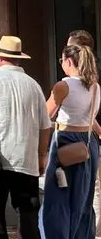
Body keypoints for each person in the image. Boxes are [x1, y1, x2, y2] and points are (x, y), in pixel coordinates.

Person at [0, 36, 51, 239]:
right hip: (26, 160)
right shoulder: (33, 85)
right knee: (28, 214)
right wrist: (41, 156)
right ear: (19, 59)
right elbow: (45, 126)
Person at [40, 42, 100, 239]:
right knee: (83, 198)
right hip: (87, 144)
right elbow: (91, 121)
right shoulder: (95, 87)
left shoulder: (63, 85)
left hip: (66, 141)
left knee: (58, 197)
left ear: (68, 61)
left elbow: (45, 114)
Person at [67, 28, 101, 239]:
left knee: (89, 190)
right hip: (92, 139)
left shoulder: (76, 81)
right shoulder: (92, 78)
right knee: (92, 189)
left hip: (82, 140)